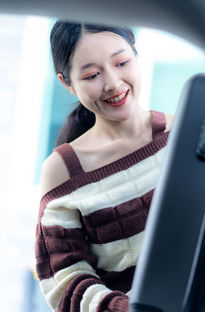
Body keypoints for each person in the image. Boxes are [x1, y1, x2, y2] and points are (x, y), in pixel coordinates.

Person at [35, 21, 174, 311]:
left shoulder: (183, 131)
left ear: (136, 55)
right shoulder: (63, 169)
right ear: (67, 84)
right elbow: (64, 279)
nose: (112, 83)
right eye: (92, 75)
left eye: (121, 62)